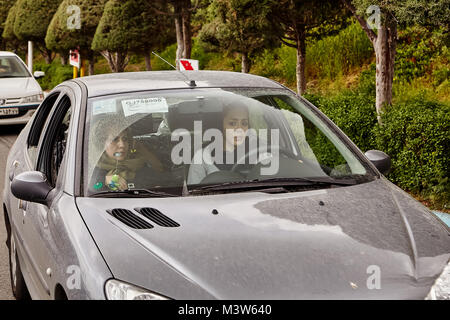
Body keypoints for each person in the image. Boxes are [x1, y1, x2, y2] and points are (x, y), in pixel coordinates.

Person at [89, 115, 163, 192]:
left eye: (125, 139)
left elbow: (160, 180)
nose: (122, 145)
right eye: (115, 139)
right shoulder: (94, 169)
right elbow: (93, 189)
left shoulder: (137, 162)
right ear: (101, 144)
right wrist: (104, 180)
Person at [187, 102, 250, 185]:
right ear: (220, 125)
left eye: (244, 123)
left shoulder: (259, 150)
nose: (240, 129)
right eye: (232, 123)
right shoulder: (202, 157)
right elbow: (193, 195)